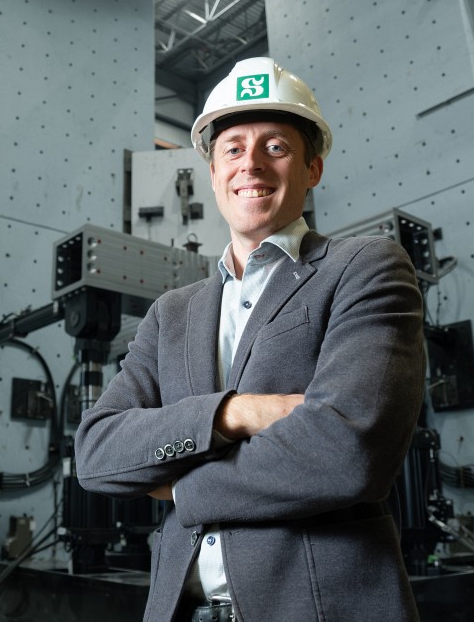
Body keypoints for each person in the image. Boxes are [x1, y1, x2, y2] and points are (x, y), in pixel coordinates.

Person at [74, 56, 425, 621]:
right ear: (214, 173)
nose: (251, 164)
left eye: (276, 147)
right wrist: (233, 414)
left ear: (313, 168)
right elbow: (96, 454)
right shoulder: (171, 314)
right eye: (233, 149)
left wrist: (181, 489)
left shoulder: (365, 267)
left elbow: (347, 453)